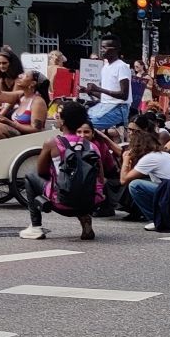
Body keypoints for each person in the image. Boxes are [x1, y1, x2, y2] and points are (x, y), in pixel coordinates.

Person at [33, 100, 109, 241]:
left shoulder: (52, 143)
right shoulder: (92, 146)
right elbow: (100, 178)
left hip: (61, 203)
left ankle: (35, 227)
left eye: (59, 116)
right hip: (91, 202)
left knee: (30, 177)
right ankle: (84, 217)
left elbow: (41, 171)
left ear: (63, 122)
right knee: (80, 183)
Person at [89, 39, 131, 131]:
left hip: (118, 108)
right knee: (78, 120)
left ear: (115, 49)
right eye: (101, 47)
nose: (101, 50)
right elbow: (105, 96)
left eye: (104, 47)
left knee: (87, 126)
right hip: (104, 106)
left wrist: (99, 89)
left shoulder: (121, 66)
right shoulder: (105, 67)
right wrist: (89, 92)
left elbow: (124, 95)